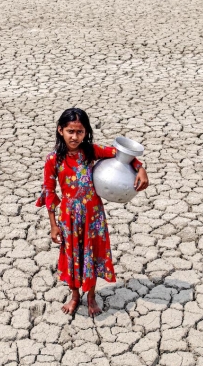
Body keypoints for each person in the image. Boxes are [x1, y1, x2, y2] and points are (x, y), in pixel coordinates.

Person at [36, 108, 149, 316]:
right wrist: (53, 225)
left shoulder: (90, 151)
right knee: (73, 257)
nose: (75, 136)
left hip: (93, 216)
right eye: (70, 131)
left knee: (91, 255)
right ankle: (75, 296)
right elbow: (49, 193)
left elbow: (119, 154)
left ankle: (91, 297)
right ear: (60, 130)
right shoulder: (53, 159)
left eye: (80, 132)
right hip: (69, 217)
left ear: (86, 132)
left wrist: (140, 167)